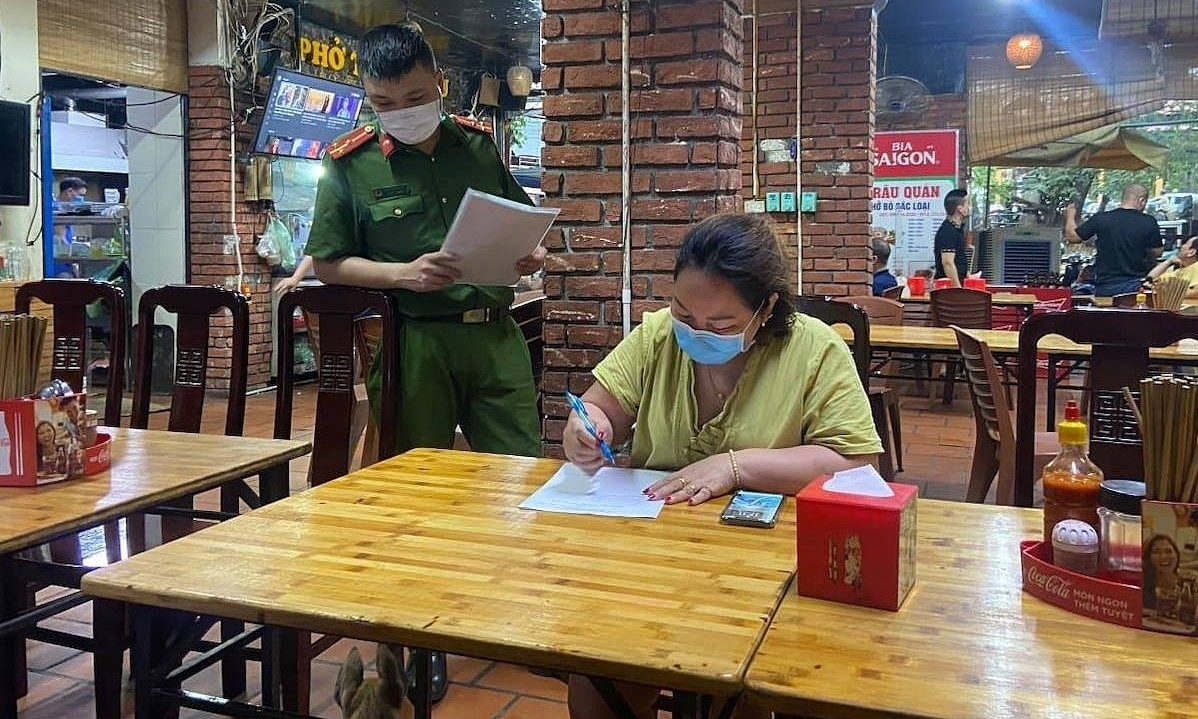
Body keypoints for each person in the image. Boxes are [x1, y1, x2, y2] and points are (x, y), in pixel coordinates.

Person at [304, 23, 546, 702]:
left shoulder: (475, 143)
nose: (401, 110)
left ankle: (512, 615)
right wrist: (401, 273)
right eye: (384, 102)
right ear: (367, 95)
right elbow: (327, 260)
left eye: (413, 95)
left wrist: (531, 254)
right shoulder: (351, 164)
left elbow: (518, 219)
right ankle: (415, 641)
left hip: (496, 336)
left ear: (438, 83)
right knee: (419, 493)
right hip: (415, 341)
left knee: (519, 475)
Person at [562, 214, 881, 719]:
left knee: (741, 685)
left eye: (720, 325)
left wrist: (736, 466)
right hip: (649, 562)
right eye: (683, 312)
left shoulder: (814, 349)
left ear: (767, 307)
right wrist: (588, 429)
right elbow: (601, 408)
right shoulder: (658, 338)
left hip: (762, 573)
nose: (694, 332)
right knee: (596, 670)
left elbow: (855, 462)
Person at [1064, 184, 1163, 297]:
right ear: (1142, 200)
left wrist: (1070, 215)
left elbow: (1072, 237)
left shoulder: (1101, 218)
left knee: (1108, 314)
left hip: (1105, 286)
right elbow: (1157, 252)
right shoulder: (1149, 222)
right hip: (1135, 286)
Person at [933, 189, 970, 288]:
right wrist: (957, 290)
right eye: (967, 204)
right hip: (948, 289)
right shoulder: (948, 231)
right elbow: (947, 263)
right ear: (960, 208)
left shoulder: (957, 229)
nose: (969, 207)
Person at [1147, 235, 1198, 299]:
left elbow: (1196, 291)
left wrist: (1166, 291)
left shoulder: (1196, 267)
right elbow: (1149, 279)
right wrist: (1168, 261)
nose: (1180, 246)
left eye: (1185, 244)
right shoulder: (1174, 269)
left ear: (1191, 252)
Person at [1144, 534, 1182, 616]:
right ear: (1148, 557)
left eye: (1168, 551)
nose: (1163, 556)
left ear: (1176, 554)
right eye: (1156, 552)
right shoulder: (1142, 584)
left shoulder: (1189, 582)